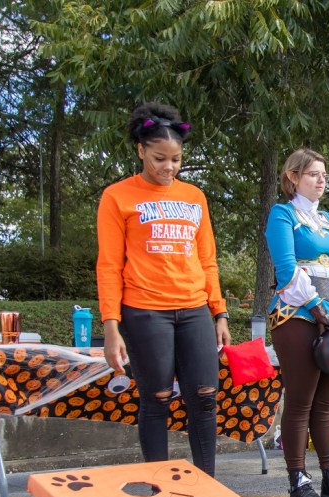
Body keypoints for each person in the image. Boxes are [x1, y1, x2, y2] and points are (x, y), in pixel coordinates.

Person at [97, 102, 231, 477]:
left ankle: (208, 484)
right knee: (156, 400)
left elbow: (207, 260)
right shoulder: (117, 197)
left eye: (175, 159)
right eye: (159, 158)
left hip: (194, 311)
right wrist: (111, 326)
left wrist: (218, 312)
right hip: (145, 312)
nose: (168, 167)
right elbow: (109, 264)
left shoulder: (194, 197)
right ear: (140, 151)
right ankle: (158, 487)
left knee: (204, 399)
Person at [264, 148, 329, 497]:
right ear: (293, 177)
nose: (321, 180)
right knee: (300, 400)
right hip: (297, 314)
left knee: (326, 403)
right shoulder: (282, 215)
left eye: (324, 174)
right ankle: (297, 477)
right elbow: (286, 268)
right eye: (312, 174)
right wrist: (316, 308)